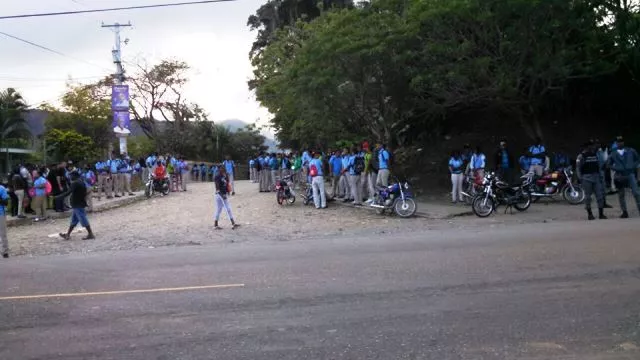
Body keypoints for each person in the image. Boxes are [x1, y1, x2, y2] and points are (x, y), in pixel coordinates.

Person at [608, 136, 640, 218]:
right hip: (619, 175)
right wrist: (615, 168)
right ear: (616, 143)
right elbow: (608, 164)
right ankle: (624, 212)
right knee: (621, 194)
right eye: (618, 142)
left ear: (624, 142)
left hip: (630, 173)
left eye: (621, 141)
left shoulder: (631, 150)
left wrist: (633, 165)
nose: (620, 143)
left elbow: (637, 159)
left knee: (636, 193)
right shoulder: (613, 153)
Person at [57, 171, 95, 241]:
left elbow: (68, 192)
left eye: (71, 176)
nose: (70, 177)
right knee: (74, 220)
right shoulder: (81, 182)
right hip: (79, 203)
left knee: (83, 219)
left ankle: (90, 234)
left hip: (77, 204)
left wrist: (59, 197)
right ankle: (68, 235)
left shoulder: (75, 183)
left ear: (75, 176)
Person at [576, 141, 607, 220]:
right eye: (591, 146)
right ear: (587, 147)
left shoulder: (594, 155)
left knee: (600, 196)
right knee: (588, 197)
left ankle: (601, 214)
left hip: (596, 177)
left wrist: (600, 176)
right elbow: (578, 168)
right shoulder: (581, 156)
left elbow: (598, 167)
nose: (593, 147)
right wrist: (580, 178)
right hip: (586, 178)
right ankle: (590, 214)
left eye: (592, 146)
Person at [213, 166, 239, 230]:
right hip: (219, 195)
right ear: (218, 169)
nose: (223, 169)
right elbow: (217, 188)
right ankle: (233, 223)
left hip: (223, 194)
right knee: (228, 209)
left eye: (223, 168)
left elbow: (226, 185)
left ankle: (215, 224)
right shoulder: (217, 176)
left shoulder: (224, 176)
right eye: (221, 168)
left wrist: (227, 192)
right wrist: (222, 195)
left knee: (219, 209)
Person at [0, 182, 9, 258]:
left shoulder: (1, 188)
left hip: (1, 214)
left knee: (3, 234)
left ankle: (5, 251)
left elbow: (6, 202)